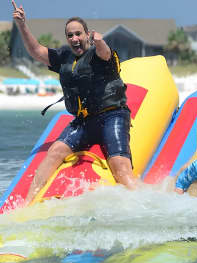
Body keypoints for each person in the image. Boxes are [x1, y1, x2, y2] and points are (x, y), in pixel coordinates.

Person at [12, 1, 138, 205]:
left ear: (87, 34)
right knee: (55, 152)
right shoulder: (64, 57)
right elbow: (36, 51)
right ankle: (28, 203)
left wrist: (99, 41)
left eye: (78, 33)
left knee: (120, 169)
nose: (74, 39)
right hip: (84, 121)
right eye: (70, 35)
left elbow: (105, 53)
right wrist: (22, 25)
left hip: (112, 116)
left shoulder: (100, 54)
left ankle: (146, 203)